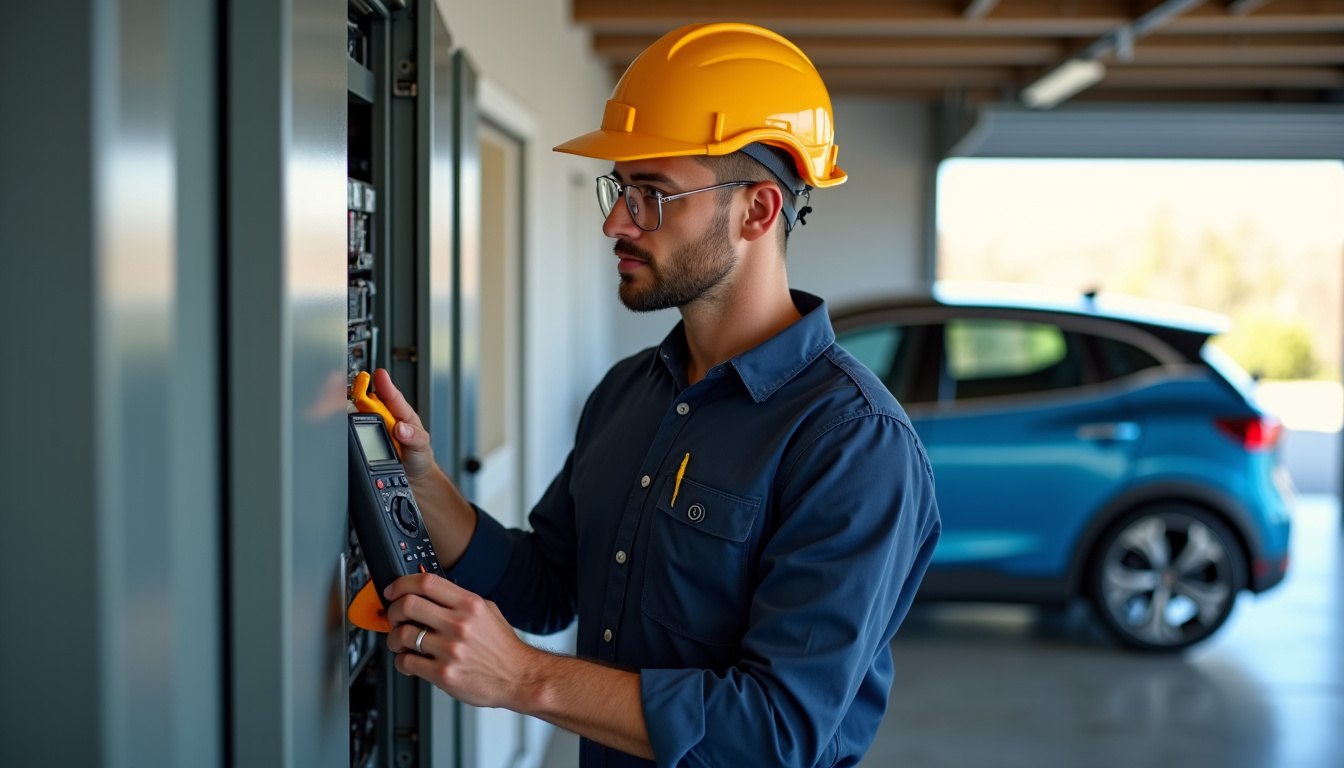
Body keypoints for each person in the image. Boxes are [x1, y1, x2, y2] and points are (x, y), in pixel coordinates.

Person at [372, 22, 941, 768]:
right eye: (622, 189)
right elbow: (547, 586)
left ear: (758, 211)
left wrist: (525, 680)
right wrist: (425, 481)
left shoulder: (853, 443)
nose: (616, 220)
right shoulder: (627, 393)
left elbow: (776, 730)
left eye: (652, 193)